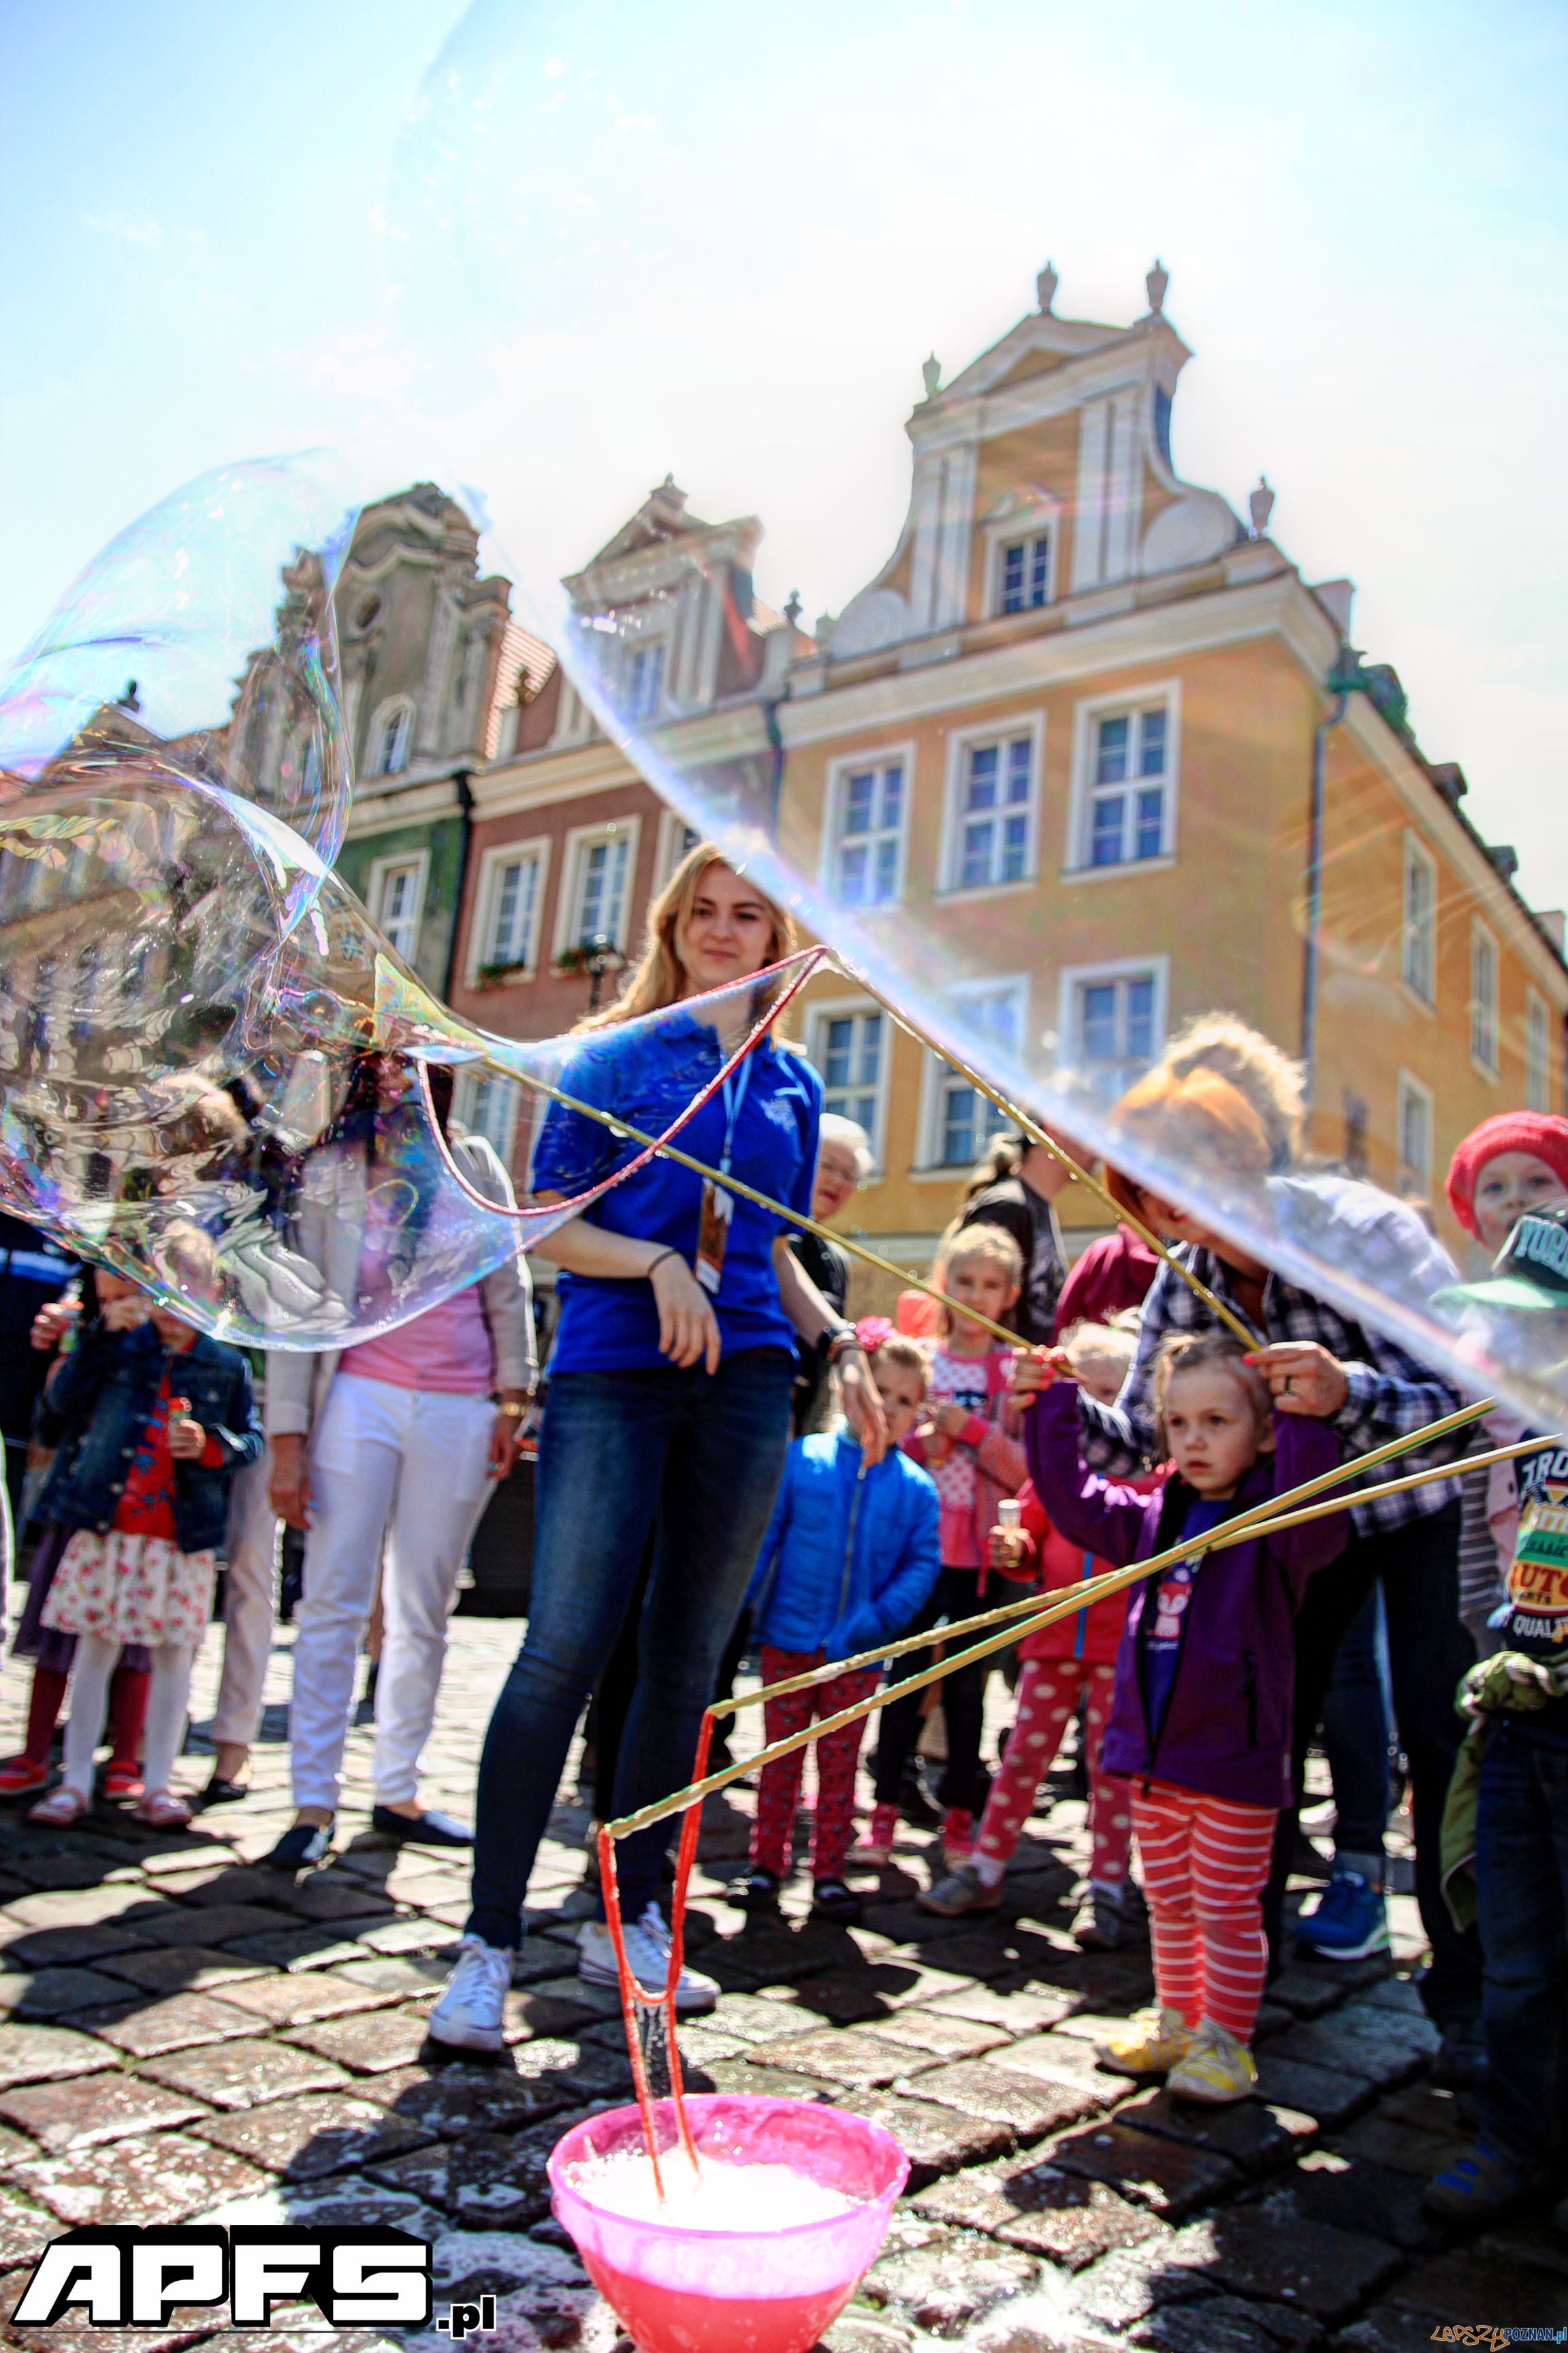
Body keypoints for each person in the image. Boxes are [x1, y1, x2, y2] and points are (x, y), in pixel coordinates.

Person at [428, 845, 888, 2052]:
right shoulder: (617, 1057)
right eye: (704, 912)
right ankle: (487, 1943)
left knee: (687, 1668)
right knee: (563, 1649)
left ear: (779, 942)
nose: (724, 933)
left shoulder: (788, 1083)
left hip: (744, 1384)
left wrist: (842, 1343)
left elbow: (768, 1251)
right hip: (614, 1376)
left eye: (749, 917)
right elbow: (546, 1229)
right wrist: (654, 1263)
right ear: (670, 923)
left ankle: (630, 1918)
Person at [1086, 1051, 1481, 2066]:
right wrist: (1049, 1409)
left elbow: (1474, 1401)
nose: (1180, 1208)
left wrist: (1346, 1392)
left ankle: (1467, 1997)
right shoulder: (1187, 1281)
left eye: (1193, 1171)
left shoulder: (1360, 1232)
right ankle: (1224, 2011)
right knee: (1255, 1730)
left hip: (1425, 1503)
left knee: (1441, 1734)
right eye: (1153, 1191)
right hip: (1299, 1526)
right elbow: (1139, 1436)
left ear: (1242, 1153)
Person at [1018, 1330, 1347, 2100]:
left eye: (1217, 1421)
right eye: (1178, 1422)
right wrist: (1050, 1405)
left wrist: (1304, 1419)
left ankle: (1227, 2041)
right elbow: (1070, 1501)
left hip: (1232, 1761)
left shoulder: (1274, 1524)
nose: (1193, 1439)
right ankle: (1176, 2018)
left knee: (1227, 1908)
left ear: (1263, 1431)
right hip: (1150, 1755)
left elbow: (1321, 1520)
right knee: (1166, 1899)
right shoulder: (1153, 1515)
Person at [264, 1057, 537, 1867]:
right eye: (383, 1077)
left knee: (423, 1604)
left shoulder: (472, 1160)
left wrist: (514, 1396)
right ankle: (312, 1802)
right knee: (331, 1595)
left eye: (415, 1076)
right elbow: (295, 1299)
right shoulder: (330, 1171)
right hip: (358, 1396)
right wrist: (286, 1438)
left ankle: (400, 1789)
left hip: (460, 1405)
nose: (400, 1091)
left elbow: (507, 1281)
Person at [1423, 1201, 1568, 2222]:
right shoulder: (1519, 1434)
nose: (1507, 1345)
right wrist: (1497, 1662)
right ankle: (1516, 2137)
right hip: (1518, 1721)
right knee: (1515, 1953)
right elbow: (1521, 1575)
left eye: (1534, 1325)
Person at [919, 1318, 1154, 1946]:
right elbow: (1023, 1549)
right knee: (1023, 1754)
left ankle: (1106, 1885)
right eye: (1085, 1393)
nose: (1097, 1411)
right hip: (1053, 1642)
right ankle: (988, 1865)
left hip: (1116, 1649)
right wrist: (1013, 1550)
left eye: (1111, 1396)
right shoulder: (1051, 1477)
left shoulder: (1150, 1484)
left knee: (1110, 1769)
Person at [25, 1286, 262, 1830]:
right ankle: (75, 1781)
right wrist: (99, 1337)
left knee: (175, 1661)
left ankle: (158, 1781)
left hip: (179, 1536)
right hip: (108, 1527)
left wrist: (211, 1444)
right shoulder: (119, 1346)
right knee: (94, 1653)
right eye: (161, 1294)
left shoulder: (226, 1361)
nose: (171, 1309)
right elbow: (58, 1409)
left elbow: (250, 1440)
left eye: (188, 1296)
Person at [729, 1329, 940, 1925]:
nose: (889, 1408)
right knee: (778, 1761)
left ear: (917, 1412)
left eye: (905, 1400)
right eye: (881, 1391)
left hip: (857, 1653)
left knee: (840, 1767)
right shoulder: (803, 1461)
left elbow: (920, 1565)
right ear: (852, 1389)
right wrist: (742, 1607)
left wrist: (879, 1620)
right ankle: (766, 1863)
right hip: (788, 1640)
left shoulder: (915, 1489)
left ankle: (828, 1872)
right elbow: (765, 1539)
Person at [858, 1221, 1028, 1868]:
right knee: (903, 1676)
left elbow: (1023, 1469)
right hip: (919, 1547)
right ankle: (882, 1812)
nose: (975, 1296)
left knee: (965, 1689)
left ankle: (960, 1816)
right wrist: (922, 1445)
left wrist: (972, 1429)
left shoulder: (1012, 1371)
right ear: (942, 1282)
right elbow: (887, 1441)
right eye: (963, 1281)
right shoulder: (922, 1359)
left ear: (1008, 1294)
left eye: (989, 1285)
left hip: (979, 1557)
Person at [0, 1272, 154, 1799]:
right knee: (56, 1635)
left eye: (128, 1297)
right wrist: (99, 1336)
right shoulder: (82, 1331)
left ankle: (122, 1757)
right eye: (108, 1298)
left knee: (132, 1643)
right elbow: (54, 1413)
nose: (119, 1306)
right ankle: (35, 1751)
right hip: (80, 1504)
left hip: (141, 1515)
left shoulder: (176, 1341)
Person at [1444, 1111, 1568, 1656]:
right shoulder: (1476, 1327)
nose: (1515, 1199)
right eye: (1494, 1187)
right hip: (1510, 1564)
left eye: (1537, 1180)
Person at [957, 1126, 1076, 1344]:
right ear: (1054, 1130)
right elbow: (971, 1314)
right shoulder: (1008, 1208)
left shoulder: (1036, 1205)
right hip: (999, 1371)